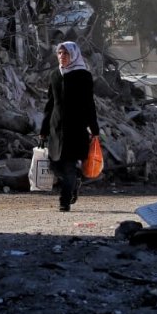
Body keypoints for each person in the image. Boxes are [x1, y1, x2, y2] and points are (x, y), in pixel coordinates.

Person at [39, 41, 101, 212]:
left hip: (76, 127)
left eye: (65, 54)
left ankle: (64, 201)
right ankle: (74, 183)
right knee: (54, 164)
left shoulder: (83, 76)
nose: (62, 57)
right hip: (56, 126)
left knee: (68, 165)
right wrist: (43, 130)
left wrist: (94, 128)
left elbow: (89, 104)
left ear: (73, 55)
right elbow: (50, 103)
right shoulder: (55, 75)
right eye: (59, 53)